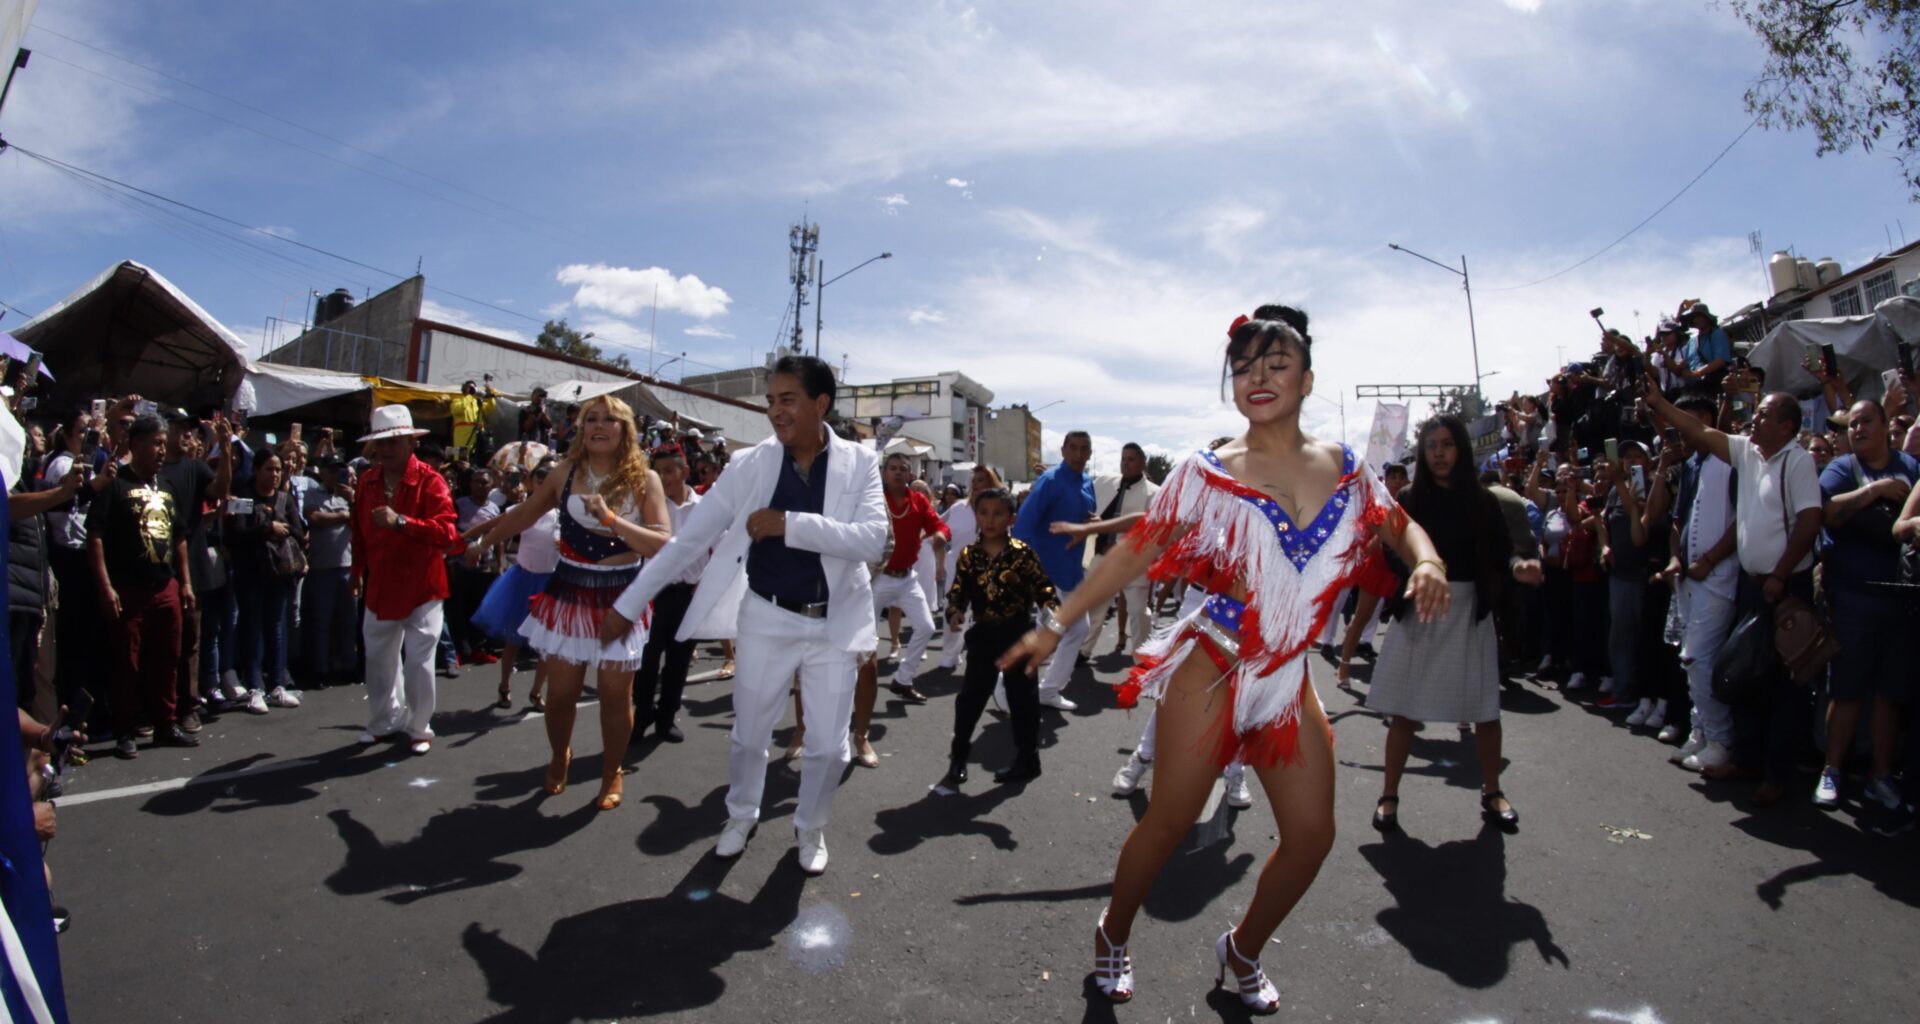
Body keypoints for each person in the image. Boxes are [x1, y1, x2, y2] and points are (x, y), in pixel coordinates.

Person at [1000, 312, 1447, 1008]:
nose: (1258, 378)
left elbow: (1400, 524)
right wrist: (1058, 622)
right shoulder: (1207, 473)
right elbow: (1136, 550)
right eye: (1243, 367)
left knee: (1311, 837)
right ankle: (1112, 932)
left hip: (1286, 673)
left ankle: (1241, 948)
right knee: (1171, 818)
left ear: (1307, 378)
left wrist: (1428, 561)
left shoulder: (1348, 468)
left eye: (1275, 364)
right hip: (1215, 657)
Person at [603, 354, 888, 876]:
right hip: (765, 617)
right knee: (750, 735)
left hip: (834, 623)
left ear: (820, 404)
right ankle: (741, 814)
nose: (775, 412)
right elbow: (687, 540)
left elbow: (874, 541)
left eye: (787, 400)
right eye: (770, 401)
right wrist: (630, 602)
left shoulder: (860, 462)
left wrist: (789, 524)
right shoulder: (750, 464)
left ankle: (810, 825)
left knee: (828, 749)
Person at [467, 395, 671, 810]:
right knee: (561, 695)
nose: (598, 425)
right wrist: (485, 541)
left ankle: (612, 769)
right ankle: (561, 754)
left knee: (615, 695)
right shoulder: (565, 472)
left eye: (609, 419)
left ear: (625, 430)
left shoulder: (645, 479)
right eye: (590, 418)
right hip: (569, 591)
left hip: (621, 595)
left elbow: (664, 545)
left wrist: (613, 520)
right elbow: (525, 514)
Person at [1646, 379, 1823, 805]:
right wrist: (1659, 404)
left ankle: (1776, 776)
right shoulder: (1747, 452)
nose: (1754, 417)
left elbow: (1810, 521)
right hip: (1752, 586)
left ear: (1786, 426)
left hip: (1786, 587)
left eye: (1764, 413)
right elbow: (1701, 431)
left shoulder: (1796, 462)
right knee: (1748, 674)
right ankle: (1745, 758)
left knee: (1783, 684)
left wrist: (1780, 574)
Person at [1368, 415, 1522, 834]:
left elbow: (1502, 552)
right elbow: (1391, 551)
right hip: (1420, 609)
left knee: (1486, 711)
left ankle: (1492, 791)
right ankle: (1388, 794)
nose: (1439, 452)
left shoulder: (1484, 501)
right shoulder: (1410, 500)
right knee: (1404, 711)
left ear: (1461, 450)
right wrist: (1418, 572)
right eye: (1432, 445)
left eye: (1447, 444)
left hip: (1469, 610)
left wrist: (1519, 565)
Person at [1813, 399, 1917, 809]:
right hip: (1853, 596)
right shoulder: (1842, 469)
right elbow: (1828, 515)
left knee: (1889, 692)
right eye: (1852, 424)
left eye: (1866, 422)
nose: (1857, 430)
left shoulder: (1912, 467)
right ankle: (1832, 771)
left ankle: (1880, 776)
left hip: (1900, 598)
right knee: (1848, 688)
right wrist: (1875, 490)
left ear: (1887, 425)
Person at [351, 405, 465, 757]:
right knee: (379, 660)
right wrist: (356, 571)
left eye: (394, 442)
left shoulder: (431, 481)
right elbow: (358, 532)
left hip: (422, 588)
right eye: (380, 444)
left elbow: (449, 534)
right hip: (381, 586)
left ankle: (419, 726)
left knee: (418, 662)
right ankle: (385, 720)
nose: (385, 450)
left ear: (411, 443)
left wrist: (402, 522)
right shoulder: (368, 481)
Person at [87, 413, 199, 757]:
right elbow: (95, 536)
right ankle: (126, 728)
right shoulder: (116, 484)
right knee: (127, 662)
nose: (162, 450)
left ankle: (165, 723)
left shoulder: (165, 488)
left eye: (164, 443)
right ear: (136, 445)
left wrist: (185, 583)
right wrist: (106, 586)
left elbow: (179, 537)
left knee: (168, 657)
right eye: (156, 443)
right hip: (129, 589)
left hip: (164, 586)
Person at [941, 484, 1058, 788]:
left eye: (998, 514)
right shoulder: (969, 555)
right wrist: (954, 611)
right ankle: (958, 757)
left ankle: (1028, 759)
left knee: (1023, 701)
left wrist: (1053, 618)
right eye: (984, 513)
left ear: (1011, 519)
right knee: (971, 699)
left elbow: (1044, 588)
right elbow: (959, 591)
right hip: (983, 636)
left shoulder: (1023, 555)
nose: (990, 520)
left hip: (1019, 634)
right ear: (976, 516)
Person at [845, 454, 949, 765]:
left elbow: (938, 524)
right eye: (893, 468)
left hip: (906, 577)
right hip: (877, 577)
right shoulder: (874, 499)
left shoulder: (918, 500)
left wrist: (941, 535)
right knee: (862, 637)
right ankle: (846, 688)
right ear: (884, 472)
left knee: (927, 627)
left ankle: (903, 679)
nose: (899, 472)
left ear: (911, 474)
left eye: (905, 469)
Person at [1009, 431, 1097, 711]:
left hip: (1071, 570)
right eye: (1073, 448)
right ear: (1062, 450)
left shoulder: (1087, 482)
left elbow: (1087, 518)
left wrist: (1092, 522)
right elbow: (1024, 525)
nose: (1078, 454)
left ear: (1090, 453)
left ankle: (1048, 689)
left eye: (1084, 449)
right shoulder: (1049, 480)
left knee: (1078, 629)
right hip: (1045, 570)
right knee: (1048, 631)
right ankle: (1006, 686)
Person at [467, 461, 560, 712]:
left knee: (545, 646)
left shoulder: (561, 515)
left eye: (549, 482)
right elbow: (491, 525)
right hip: (522, 581)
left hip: (550, 584)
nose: (544, 487)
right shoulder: (522, 509)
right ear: (532, 483)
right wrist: (466, 540)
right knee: (513, 640)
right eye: (540, 481)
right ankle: (504, 686)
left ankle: (536, 691)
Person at [631, 445, 705, 742]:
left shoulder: (705, 507)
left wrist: (706, 582)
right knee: (646, 661)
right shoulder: (647, 507)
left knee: (678, 661)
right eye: (657, 472)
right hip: (654, 593)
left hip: (689, 595)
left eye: (669, 471)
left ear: (684, 472)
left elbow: (718, 547)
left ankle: (666, 717)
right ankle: (641, 715)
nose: (663, 478)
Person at [226, 451, 307, 715]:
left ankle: (277, 684)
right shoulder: (244, 497)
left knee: (276, 629)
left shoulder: (285, 499)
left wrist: (281, 526)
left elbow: (299, 532)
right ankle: (255, 687)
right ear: (257, 470)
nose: (274, 475)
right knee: (252, 630)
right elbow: (236, 533)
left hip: (279, 575)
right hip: (251, 573)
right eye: (269, 469)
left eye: (278, 470)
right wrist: (266, 528)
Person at [1079, 442, 1160, 657]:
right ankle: (1084, 651)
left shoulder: (1154, 493)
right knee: (1095, 606)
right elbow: (1085, 502)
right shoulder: (1106, 482)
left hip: (1133, 562)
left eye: (1131, 459)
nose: (1125, 463)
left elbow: (1153, 531)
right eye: (1123, 458)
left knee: (1137, 611)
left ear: (1142, 463)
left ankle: (1142, 657)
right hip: (1101, 556)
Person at [935, 465, 999, 671]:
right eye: (975, 480)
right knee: (954, 610)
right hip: (956, 567)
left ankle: (982, 656)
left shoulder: (1000, 510)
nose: (977, 484)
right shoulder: (958, 508)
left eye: (982, 480)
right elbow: (936, 525)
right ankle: (950, 654)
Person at [300, 454, 356, 687]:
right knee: (321, 622)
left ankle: (350, 667)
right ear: (322, 472)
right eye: (332, 470)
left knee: (348, 621)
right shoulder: (313, 493)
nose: (336, 475)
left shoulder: (349, 496)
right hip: (322, 568)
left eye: (339, 470)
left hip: (347, 567)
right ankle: (320, 670)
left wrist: (352, 501)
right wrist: (343, 516)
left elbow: (362, 521)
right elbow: (314, 517)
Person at [451, 380, 497, 460]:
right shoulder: (457, 401)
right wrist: (469, 395)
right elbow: (458, 410)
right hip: (463, 436)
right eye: (470, 387)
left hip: (478, 434)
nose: (472, 389)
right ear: (464, 389)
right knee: (461, 459)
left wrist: (490, 395)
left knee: (477, 457)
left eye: (473, 387)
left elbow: (490, 409)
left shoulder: (478, 402)